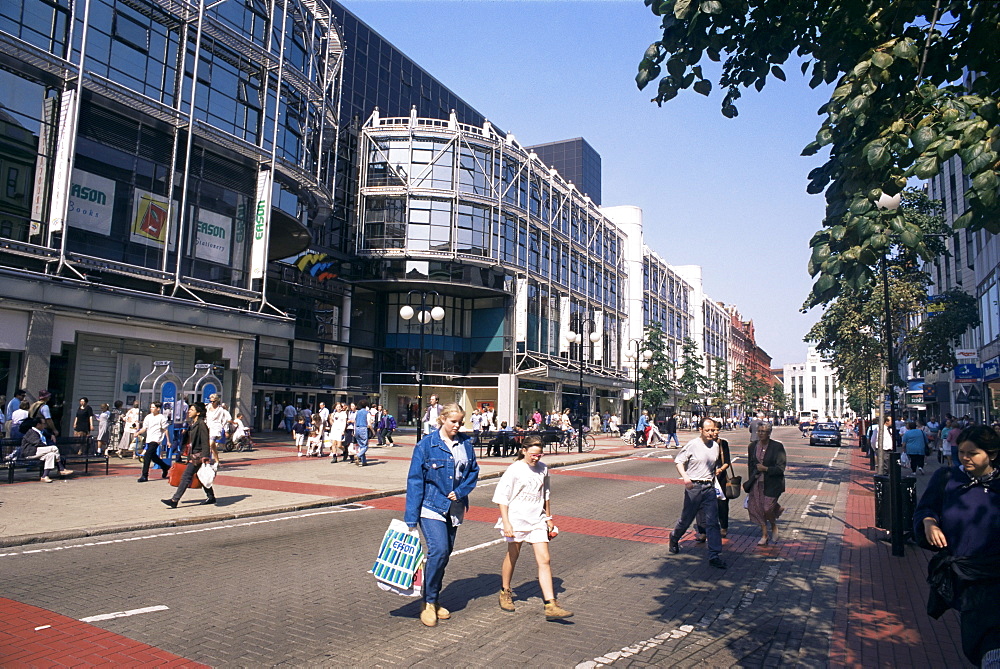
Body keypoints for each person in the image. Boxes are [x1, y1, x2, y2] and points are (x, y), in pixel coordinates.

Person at [914, 425, 1000, 668]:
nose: (965, 458)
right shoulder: (947, 478)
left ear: (991, 455)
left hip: (995, 571)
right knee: (978, 631)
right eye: (962, 452)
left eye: (972, 453)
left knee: (990, 631)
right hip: (965, 573)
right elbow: (925, 509)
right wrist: (929, 523)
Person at [404, 403, 479, 627]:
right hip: (431, 505)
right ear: (442, 420)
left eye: (460, 422)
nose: (457, 426)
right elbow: (415, 481)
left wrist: (462, 491)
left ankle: (433, 599)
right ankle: (428, 602)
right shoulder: (426, 446)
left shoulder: (466, 443)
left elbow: (473, 471)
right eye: (453, 421)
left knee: (445, 556)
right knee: (439, 550)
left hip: (454, 508)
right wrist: (411, 518)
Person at [493, 436, 573, 620]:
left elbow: (546, 494)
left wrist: (548, 517)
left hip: (537, 519)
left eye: (540, 454)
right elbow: (502, 498)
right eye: (534, 454)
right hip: (517, 518)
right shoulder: (514, 470)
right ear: (524, 450)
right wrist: (506, 522)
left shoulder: (543, 469)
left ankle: (550, 604)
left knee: (545, 559)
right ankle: (505, 591)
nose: (536, 458)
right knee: (513, 554)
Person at [668, 417, 727, 569]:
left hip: (708, 488)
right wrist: (686, 478)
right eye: (707, 430)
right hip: (693, 487)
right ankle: (674, 538)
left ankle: (714, 554)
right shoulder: (693, 445)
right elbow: (679, 461)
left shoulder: (715, 446)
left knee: (712, 522)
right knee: (686, 519)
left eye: (712, 430)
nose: (710, 433)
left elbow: (713, 467)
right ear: (700, 430)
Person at [163, 402, 216, 507]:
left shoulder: (201, 424)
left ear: (198, 413)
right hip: (192, 454)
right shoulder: (192, 423)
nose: (189, 411)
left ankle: (174, 500)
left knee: (186, 476)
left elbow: (205, 441)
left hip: (198, 456)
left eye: (192, 410)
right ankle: (211, 497)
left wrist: (205, 456)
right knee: (201, 476)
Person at [746, 422, 786, 546]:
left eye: (763, 431)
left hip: (772, 483)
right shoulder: (752, 446)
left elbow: (781, 468)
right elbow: (750, 465)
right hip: (757, 482)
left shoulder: (777, 446)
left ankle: (773, 524)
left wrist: (766, 469)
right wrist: (750, 481)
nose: (761, 434)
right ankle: (764, 534)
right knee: (758, 508)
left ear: (769, 433)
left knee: (767, 507)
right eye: (759, 431)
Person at [696, 418, 733, 540]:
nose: (714, 432)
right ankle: (702, 531)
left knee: (722, 504)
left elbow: (727, 461)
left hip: (720, 478)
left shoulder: (723, 444)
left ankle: (723, 527)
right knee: (701, 505)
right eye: (712, 430)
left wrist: (720, 470)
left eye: (716, 430)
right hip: (704, 477)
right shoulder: (702, 443)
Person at [7, 416, 73, 482]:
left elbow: (47, 434)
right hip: (30, 452)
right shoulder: (31, 432)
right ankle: (61, 468)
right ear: (38, 425)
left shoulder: (41, 432)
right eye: (43, 424)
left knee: (51, 455)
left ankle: (44, 476)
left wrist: (51, 435)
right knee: (54, 448)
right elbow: (37, 443)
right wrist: (48, 448)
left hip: (38, 452)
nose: (45, 425)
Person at [135, 402, 170, 482]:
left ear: (158, 409)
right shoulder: (148, 417)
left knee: (147, 455)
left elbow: (165, 430)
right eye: (151, 407)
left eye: (153, 407)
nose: (151, 409)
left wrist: (168, 441)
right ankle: (165, 466)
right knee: (153, 456)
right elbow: (144, 428)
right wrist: (138, 433)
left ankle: (144, 475)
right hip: (149, 438)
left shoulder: (161, 418)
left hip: (156, 439)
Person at [205, 394, 232, 463]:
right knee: (213, 446)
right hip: (208, 427)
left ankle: (207, 459)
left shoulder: (220, 409)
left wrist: (225, 428)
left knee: (210, 443)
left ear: (217, 401)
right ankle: (217, 460)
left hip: (216, 428)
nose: (212, 403)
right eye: (211, 401)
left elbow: (228, 418)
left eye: (213, 401)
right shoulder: (208, 407)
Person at [354, 399, 373, 466]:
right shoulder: (367, 413)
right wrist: (373, 431)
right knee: (365, 446)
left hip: (357, 428)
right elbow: (369, 423)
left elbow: (355, 422)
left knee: (361, 446)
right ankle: (358, 455)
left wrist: (354, 431)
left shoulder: (357, 412)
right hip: (363, 428)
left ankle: (363, 461)